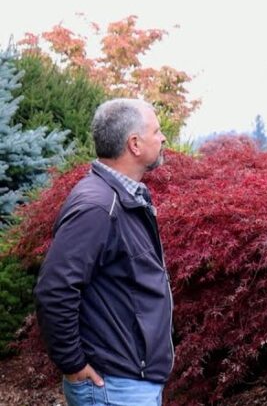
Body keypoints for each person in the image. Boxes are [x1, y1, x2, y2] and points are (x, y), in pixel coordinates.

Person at [34, 98, 172, 406]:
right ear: (134, 144)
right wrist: (72, 363)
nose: (163, 139)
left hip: (127, 382)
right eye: (157, 131)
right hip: (113, 386)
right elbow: (55, 289)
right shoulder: (98, 206)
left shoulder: (122, 197)